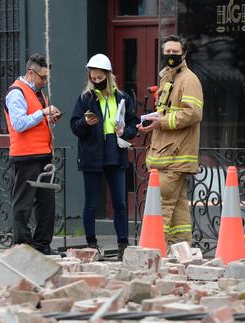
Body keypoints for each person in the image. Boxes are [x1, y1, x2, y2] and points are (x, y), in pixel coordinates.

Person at [70, 53, 139, 260]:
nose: (96, 81)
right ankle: (92, 245)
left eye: (100, 78)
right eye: (93, 78)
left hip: (115, 154)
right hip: (92, 155)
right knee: (90, 202)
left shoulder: (122, 98)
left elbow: (133, 124)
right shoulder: (85, 99)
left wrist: (124, 132)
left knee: (119, 203)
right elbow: (74, 126)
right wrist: (85, 123)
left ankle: (123, 246)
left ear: (108, 76)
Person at [137, 35, 203, 246]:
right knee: (178, 210)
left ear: (183, 54)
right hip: (168, 154)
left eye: (175, 53)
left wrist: (161, 122)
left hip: (174, 155)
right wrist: (152, 121)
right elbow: (166, 112)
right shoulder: (169, 78)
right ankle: (182, 252)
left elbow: (193, 113)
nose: (171, 56)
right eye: (168, 53)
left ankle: (152, 251)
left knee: (160, 206)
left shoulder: (188, 80)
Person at [4, 53, 62, 255]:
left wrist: (49, 119)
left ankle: (42, 245)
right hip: (26, 156)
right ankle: (22, 248)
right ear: (30, 73)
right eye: (42, 77)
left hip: (43, 155)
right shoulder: (16, 93)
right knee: (23, 204)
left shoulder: (38, 93)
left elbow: (35, 120)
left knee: (46, 205)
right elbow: (19, 123)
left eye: (47, 78)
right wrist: (43, 113)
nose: (45, 81)